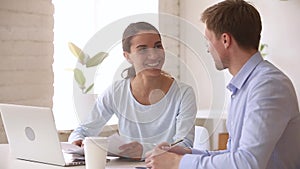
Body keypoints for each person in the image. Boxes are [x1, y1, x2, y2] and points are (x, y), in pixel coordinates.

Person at [145, 0, 300, 168]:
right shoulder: (247, 85)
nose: (208, 49)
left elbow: (247, 163)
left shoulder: (268, 86)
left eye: (208, 41)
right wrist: (188, 154)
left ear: (225, 40)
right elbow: (234, 156)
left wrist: (178, 163)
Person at [68, 22, 197, 159]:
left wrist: (144, 150)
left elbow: (184, 146)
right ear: (127, 56)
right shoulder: (116, 92)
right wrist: (77, 141)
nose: (153, 55)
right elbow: (83, 130)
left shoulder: (183, 94)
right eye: (142, 49)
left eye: (158, 46)